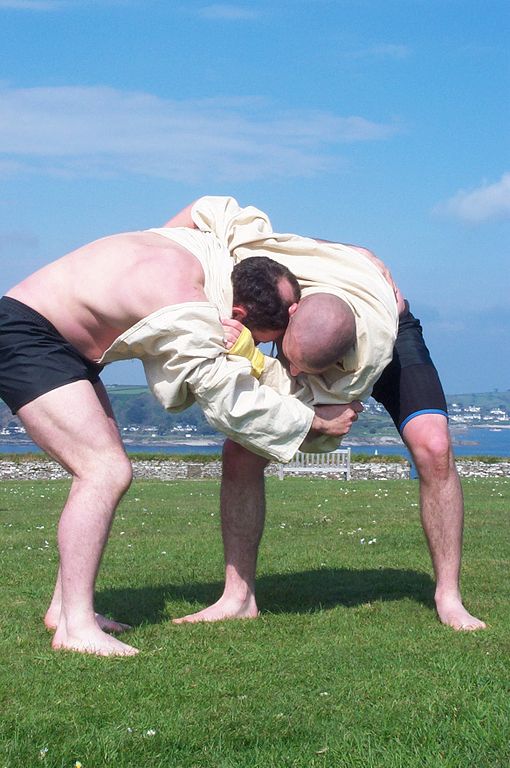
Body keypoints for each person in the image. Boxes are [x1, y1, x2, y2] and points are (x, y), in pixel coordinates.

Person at [0, 220, 365, 656]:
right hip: (27, 336)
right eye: (263, 342)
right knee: (103, 471)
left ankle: (65, 611)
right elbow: (226, 401)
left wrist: (360, 258)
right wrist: (316, 424)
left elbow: (215, 208)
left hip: (59, 341)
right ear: (241, 315)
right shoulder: (186, 309)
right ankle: (75, 629)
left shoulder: (213, 250)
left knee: (104, 468)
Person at [168, 196, 485, 632]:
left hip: (392, 335)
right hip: (339, 300)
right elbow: (212, 208)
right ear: (292, 311)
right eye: (286, 355)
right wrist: (159, 251)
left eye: (300, 368)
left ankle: (449, 596)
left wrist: (306, 406)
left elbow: (324, 432)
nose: (292, 370)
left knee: (435, 447)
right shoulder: (282, 268)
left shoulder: (359, 364)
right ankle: (238, 597)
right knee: (239, 453)